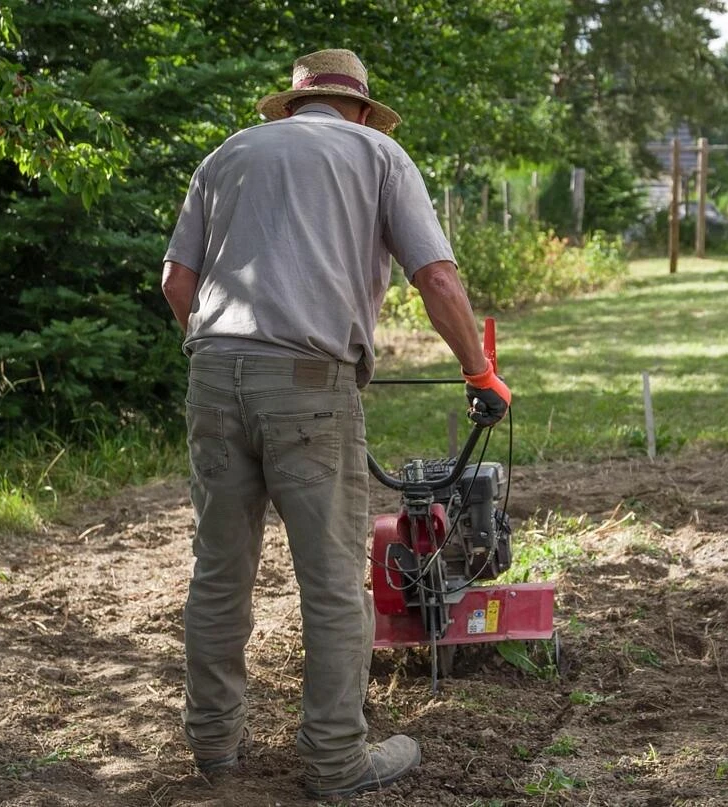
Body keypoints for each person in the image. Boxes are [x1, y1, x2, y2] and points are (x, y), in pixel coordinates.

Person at [159, 48, 511, 799]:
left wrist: (228, 358)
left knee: (219, 572)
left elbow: (175, 281)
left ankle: (214, 747)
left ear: (294, 103)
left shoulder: (228, 155)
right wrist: (479, 372)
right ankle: (335, 759)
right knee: (331, 582)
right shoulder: (377, 155)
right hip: (310, 385)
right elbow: (436, 276)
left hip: (212, 374)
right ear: (360, 109)